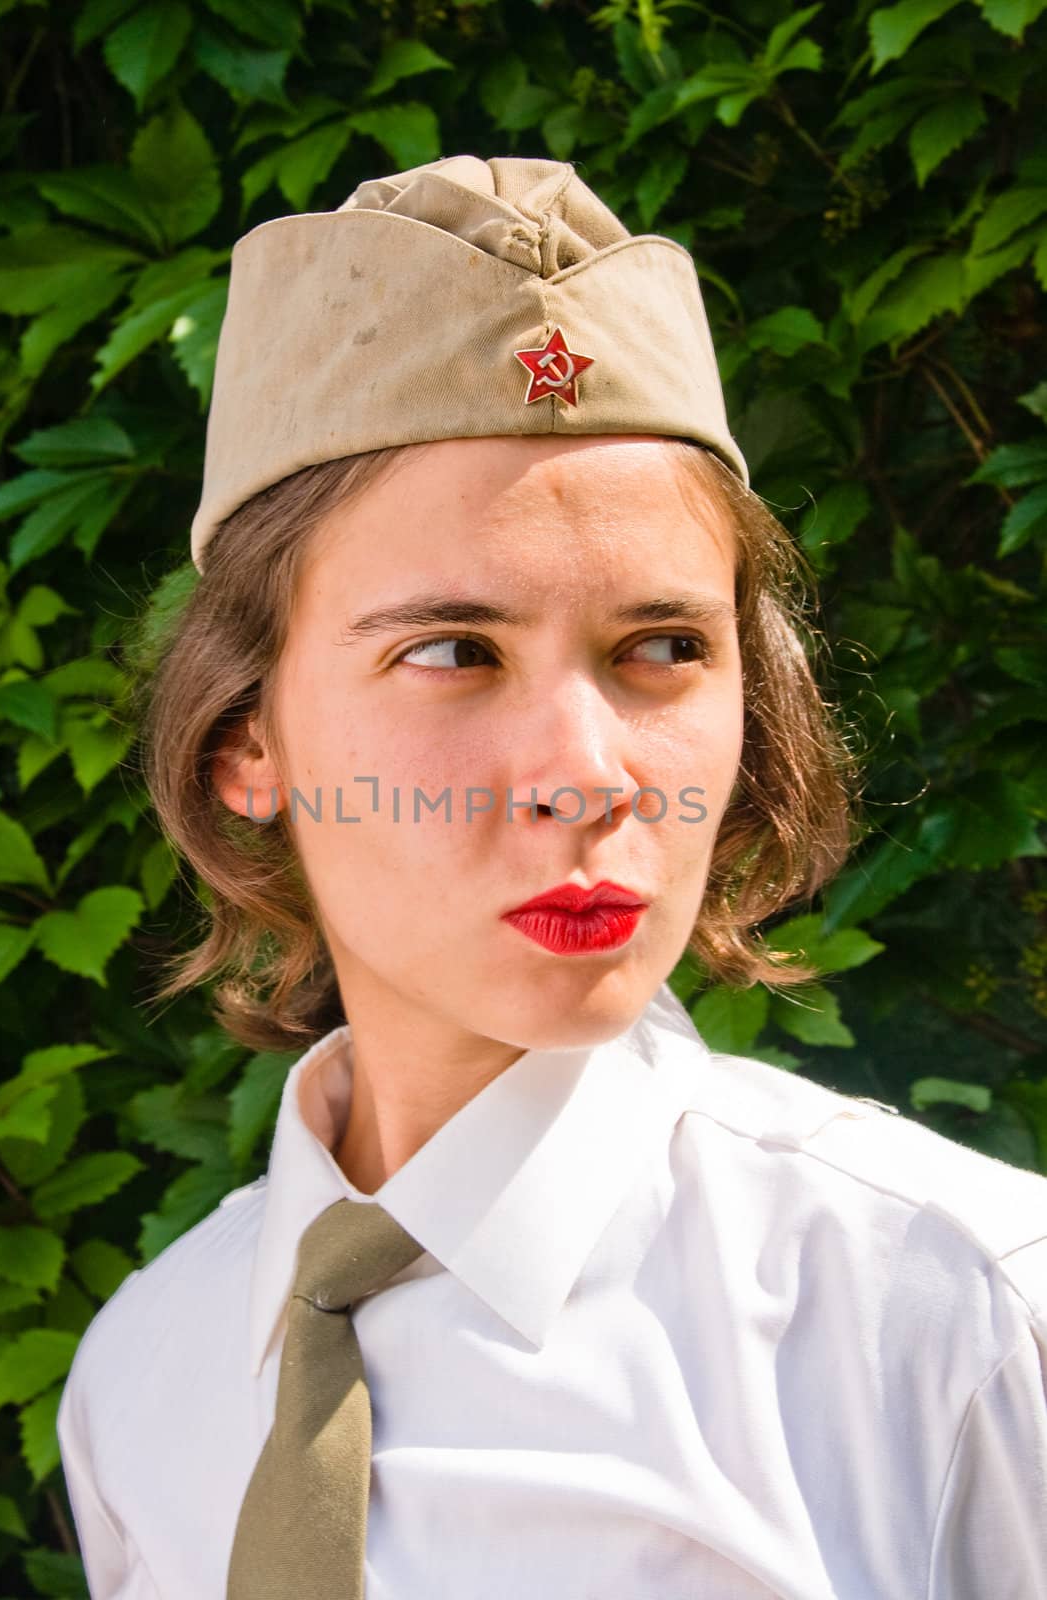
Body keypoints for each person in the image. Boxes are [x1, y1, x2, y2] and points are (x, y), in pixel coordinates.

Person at [56, 155, 1047, 1599]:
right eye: (452, 652)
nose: (588, 773)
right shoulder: (145, 1370)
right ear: (242, 743)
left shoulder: (963, 1318)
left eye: (661, 647)